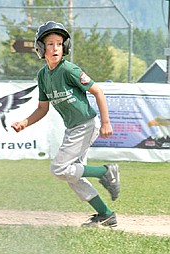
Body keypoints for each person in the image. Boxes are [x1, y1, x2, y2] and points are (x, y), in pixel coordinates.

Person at [11, 21, 120, 227]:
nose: (55, 48)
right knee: (73, 176)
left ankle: (105, 172)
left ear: (65, 48)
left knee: (59, 169)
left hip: (86, 124)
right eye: (50, 44)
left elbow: (97, 91)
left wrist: (106, 122)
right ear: (40, 49)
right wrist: (25, 122)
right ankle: (106, 214)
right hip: (74, 128)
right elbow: (43, 108)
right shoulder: (43, 76)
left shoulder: (68, 69)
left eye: (59, 44)